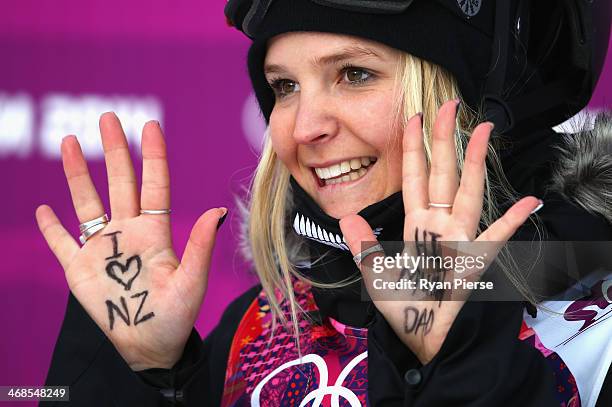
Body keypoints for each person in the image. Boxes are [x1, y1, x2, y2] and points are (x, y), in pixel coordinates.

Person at [36, 0, 612, 406]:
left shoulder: (597, 330)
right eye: (284, 87)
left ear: (472, 104)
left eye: (354, 74)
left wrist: (460, 357)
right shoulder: (264, 327)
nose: (302, 127)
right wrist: (140, 373)